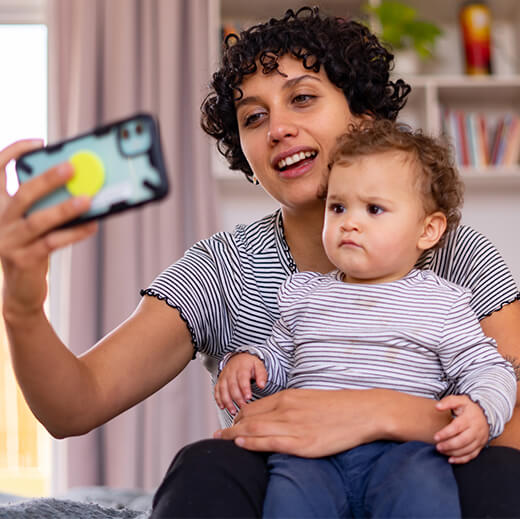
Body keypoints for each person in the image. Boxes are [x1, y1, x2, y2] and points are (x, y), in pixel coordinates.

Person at [0, 6, 519, 519]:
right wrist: (23, 307)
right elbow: (73, 406)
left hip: (421, 479)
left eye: (302, 98)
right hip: (290, 484)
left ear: (364, 122)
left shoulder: (453, 253)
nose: (278, 128)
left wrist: (383, 414)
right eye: (254, 117)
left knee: (502, 472)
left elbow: (510, 405)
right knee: (205, 464)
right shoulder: (224, 268)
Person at [214, 119, 517, 518]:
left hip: (406, 452)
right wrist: (247, 362)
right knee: (289, 500)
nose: (349, 222)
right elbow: (278, 361)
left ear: (428, 230)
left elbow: (490, 370)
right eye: (338, 207)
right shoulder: (306, 294)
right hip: (309, 455)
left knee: (424, 493)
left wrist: (480, 411)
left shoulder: (443, 303)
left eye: (374, 209)